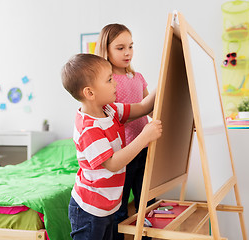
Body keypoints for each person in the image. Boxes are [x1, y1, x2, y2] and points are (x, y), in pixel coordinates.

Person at [61, 53, 162, 240]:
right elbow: (113, 163)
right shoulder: (88, 127)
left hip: (107, 206)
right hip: (89, 210)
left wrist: (163, 77)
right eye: (109, 80)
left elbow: (144, 106)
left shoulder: (110, 109)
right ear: (90, 93)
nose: (115, 83)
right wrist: (144, 136)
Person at [95, 23, 155, 239]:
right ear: (106, 49)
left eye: (130, 46)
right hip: (124, 153)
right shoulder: (106, 82)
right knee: (120, 209)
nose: (127, 52)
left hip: (145, 148)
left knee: (146, 204)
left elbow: (151, 106)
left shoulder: (138, 77)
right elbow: (122, 112)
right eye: (120, 48)